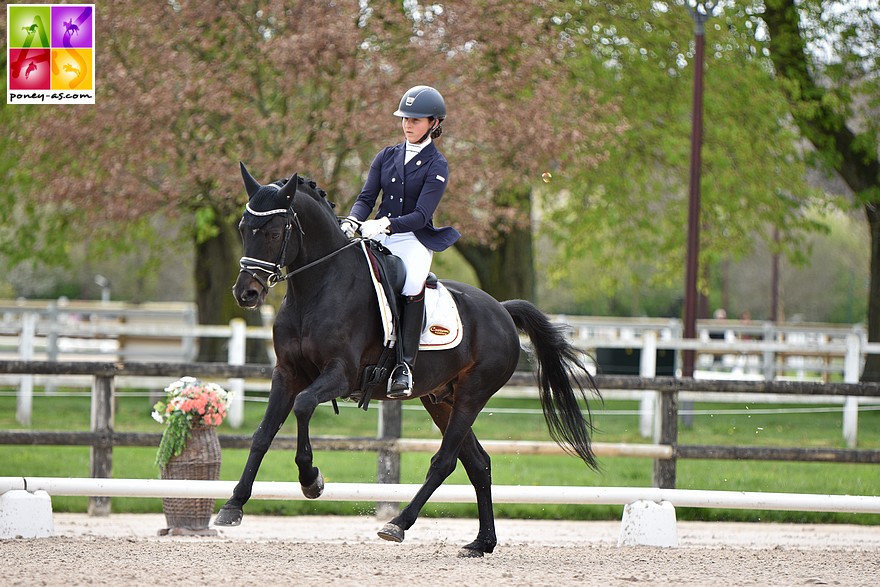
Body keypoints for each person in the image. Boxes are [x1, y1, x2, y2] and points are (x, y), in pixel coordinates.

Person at [340, 85, 461, 398]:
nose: (408, 125)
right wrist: (354, 219)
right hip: (378, 233)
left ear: (434, 123)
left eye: (416, 120)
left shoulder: (437, 165)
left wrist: (384, 224)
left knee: (412, 284)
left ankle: (404, 366)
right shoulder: (387, 156)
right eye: (405, 118)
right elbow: (367, 197)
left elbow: (421, 215)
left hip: (413, 240)